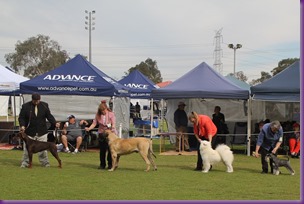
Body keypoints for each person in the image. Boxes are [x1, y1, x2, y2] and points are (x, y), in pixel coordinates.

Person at [18, 93, 60, 168]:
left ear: (40, 99)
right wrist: (22, 125)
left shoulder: (44, 105)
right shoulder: (25, 106)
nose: (37, 102)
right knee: (27, 150)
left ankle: (45, 163)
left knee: (43, 151)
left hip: (42, 131)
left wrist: (55, 123)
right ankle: (25, 162)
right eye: (35, 101)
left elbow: (49, 116)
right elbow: (21, 117)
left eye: (38, 100)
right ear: (32, 99)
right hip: (29, 132)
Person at [85, 101, 117, 169]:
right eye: (101, 111)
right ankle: (102, 164)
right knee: (102, 150)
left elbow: (113, 123)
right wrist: (89, 128)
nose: (103, 112)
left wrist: (113, 126)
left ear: (106, 108)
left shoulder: (111, 114)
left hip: (110, 133)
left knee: (110, 150)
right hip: (101, 133)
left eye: (104, 110)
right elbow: (94, 123)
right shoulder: (98, 115)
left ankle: (110, 164)